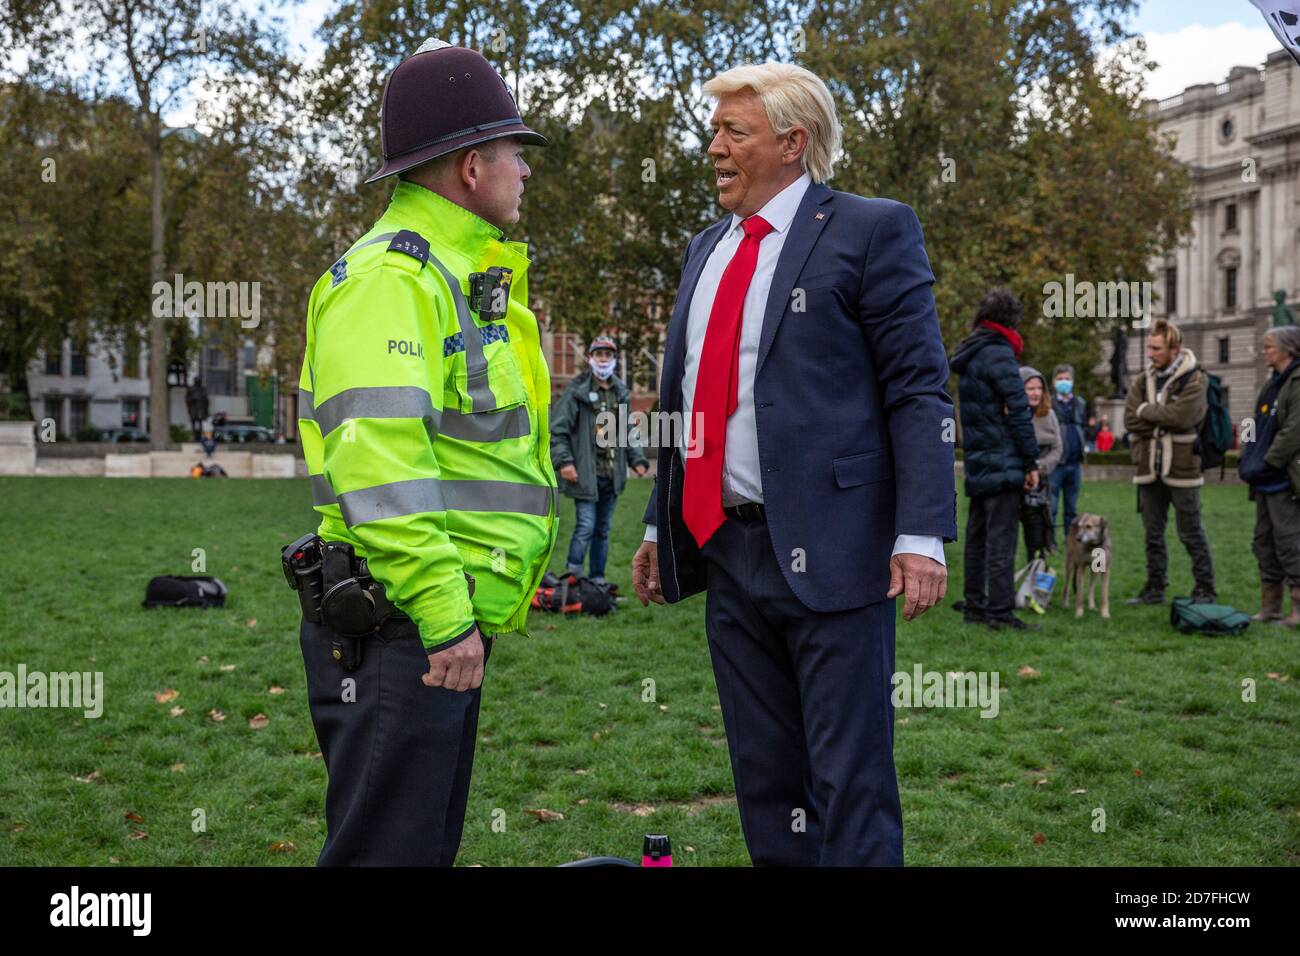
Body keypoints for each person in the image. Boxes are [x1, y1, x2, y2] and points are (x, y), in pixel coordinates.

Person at [630, 62, 955, 866]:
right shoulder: (704, 249)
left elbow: (918, 389)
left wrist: (920, 532)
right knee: (766, 780)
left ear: (793, 141)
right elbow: (688, 398)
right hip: (726, 550)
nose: (714, 148)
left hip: (838, 549)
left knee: (850, 782)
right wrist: (655, 518)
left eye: (733, 132)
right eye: (715, 132)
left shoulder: (873, 228)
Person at [292, 42, 558, 866]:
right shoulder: (390, 279)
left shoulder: (447, 272)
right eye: (516, 152)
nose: (524, 170)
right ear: (474, 167)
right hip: (407, 625)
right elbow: (383, 469)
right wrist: (447, 619)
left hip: (426, 618)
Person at [949, 291, 1040, 630]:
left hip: (979, 458)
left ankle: (975, 603)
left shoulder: (971, 354)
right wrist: (1031, 461)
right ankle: (1000, 610)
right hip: (1004, 459)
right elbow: (1018, 410)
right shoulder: (1000, 354)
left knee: (977, 537)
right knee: (1002, 540)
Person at [1123, 318, 1215, 604]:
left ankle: (1205, 588)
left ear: (1175, 349)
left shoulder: (1196, 378)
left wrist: (1146, 412)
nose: (1150, 353)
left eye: (1156, 349)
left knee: (1190, 532)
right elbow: (1129, 420)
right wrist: (1163, 418)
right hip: (1148, 466)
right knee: (1152, 533)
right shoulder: (1142, 379)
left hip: (1183, 467)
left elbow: (1184, 417)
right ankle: (1154, 588)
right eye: (1149, 347)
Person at [551, 335, 649, 583]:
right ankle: (572, 578)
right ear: (590, 358)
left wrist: (637, 459)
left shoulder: (620, 392)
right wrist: (565, 462)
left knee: (603, 531)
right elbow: (558, 431)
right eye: (599, 354)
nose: (603, 360)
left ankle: (597, 580)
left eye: (608, 355)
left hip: (611, 474)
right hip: (585, 474)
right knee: (585, 526)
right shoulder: (577, 391)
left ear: (614, 359)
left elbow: (628, 431)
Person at [1239, 326, 1300, 625]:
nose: (1265, 351)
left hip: (1284, 477)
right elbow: (1254, 422)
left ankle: (1298, 609)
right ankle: (1270, 605)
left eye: (1269, 347)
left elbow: (1293, 431)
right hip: (1264, 478)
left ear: (1288, 350)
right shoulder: (1270, 384)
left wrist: (1267, 461)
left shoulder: (1297, 382)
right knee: (1263, 540)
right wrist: (1246, 453)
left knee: (1290, 540)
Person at [1020, 365, 1061, 556]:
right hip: (1017, 480)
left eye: (1039, 388)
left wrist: (1039, 467)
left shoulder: (1049, 414)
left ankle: (1036, 576)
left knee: (1037, 537)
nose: (1036, 393)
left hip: (1040, 482)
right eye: (1030, 388)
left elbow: (1058, 448)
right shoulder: (1013, 415)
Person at [1049, 363, 1088, 536]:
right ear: (1053, 381)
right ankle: (1049, 541)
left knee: (1071, 508)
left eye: (1067, 379)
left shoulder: (1080, 403)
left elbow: (1083, 427)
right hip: (1055, 463)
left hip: (1074, 463)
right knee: (1052, 506)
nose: (1064, 382)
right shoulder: (1048, 403)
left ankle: (1070, 540)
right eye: (1060, 379)